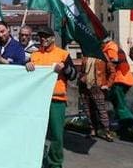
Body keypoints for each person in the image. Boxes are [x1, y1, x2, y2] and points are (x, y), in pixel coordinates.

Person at [26, 26, 77, 168]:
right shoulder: (34, 56)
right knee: (36, 133)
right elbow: (27, 79)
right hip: (38, 101)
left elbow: (73, 75)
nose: (43, 39)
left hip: (57, 101)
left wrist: (65, 69)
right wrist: (28, 66)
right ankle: (38, 160)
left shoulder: (63, 54)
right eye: (41, 36)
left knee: (56, 135)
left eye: (46, 36)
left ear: (53, 38)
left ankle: (55, 163)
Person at [102, 37, 133, 133]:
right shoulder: (113, 47)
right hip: (123, 78)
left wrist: (107, 82)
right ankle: (122, 125)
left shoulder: (110, 48)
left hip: (120, 79)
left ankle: (129, 123)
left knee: (119, 102)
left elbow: (114, 62)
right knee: (116, 101)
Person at [78, 55, 115, 141]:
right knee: (88, 110)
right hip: (85, 87)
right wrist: (80, 78)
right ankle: (93, 130)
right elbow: (81, 71)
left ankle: (107, 132)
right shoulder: (85, 57)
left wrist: (107, 85)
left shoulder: (103, 56)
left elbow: (112, 72)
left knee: (101, 110)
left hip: (98, 86)